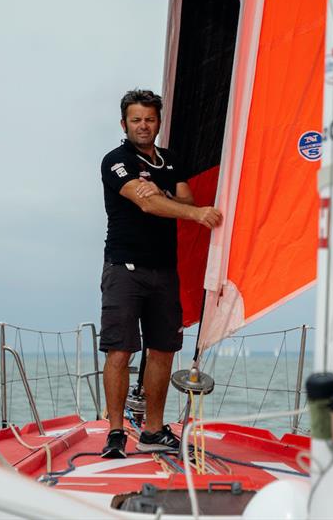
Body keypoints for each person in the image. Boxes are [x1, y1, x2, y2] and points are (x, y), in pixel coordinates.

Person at [99, 89, 222, 459]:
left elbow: (180, 195)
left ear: (158, 123)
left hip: (165, 271)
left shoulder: (169, 161)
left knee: (163, 351)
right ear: (124, 124)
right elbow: (147, 203)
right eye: (136, 119)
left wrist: (169, 192)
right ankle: (116, 432)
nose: (143, 125)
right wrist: (197, 214)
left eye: (149, 119)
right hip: (125, 269)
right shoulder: (115, 161)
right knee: (120, 351)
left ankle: (153, 430)